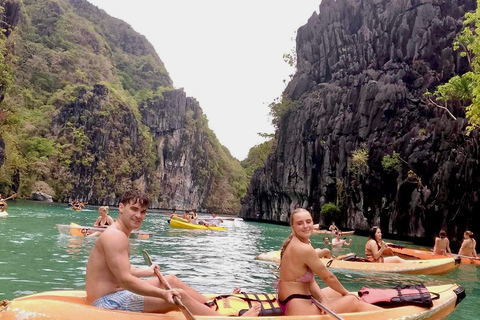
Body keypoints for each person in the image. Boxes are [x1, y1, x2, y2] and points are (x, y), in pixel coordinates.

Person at [85, 190, 260, 316]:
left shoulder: (119, 233)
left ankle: (210, 305)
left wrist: (148, 270)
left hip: (115, 293)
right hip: (109, 301)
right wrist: (163, 294)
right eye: (134, 209)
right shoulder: (116, 236)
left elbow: (121, 270)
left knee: (171, 280)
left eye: (143, 211)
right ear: (121, 208)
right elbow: (125, 279)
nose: (139, 215)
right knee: (179, 295)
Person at [277, 208, 381, 316]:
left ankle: (383, 313)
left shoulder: (298, 242)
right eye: (300, 223)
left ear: (313, 222)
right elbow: (328, 277)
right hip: (297, 309)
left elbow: (310, 281)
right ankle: (386, 315)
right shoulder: (303, 248)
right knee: (352, 300)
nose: (305, 226)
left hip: (290, 301)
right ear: (293, 227)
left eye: (308, 221)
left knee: (336, 292)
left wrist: (323, 299)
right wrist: (346, 293)